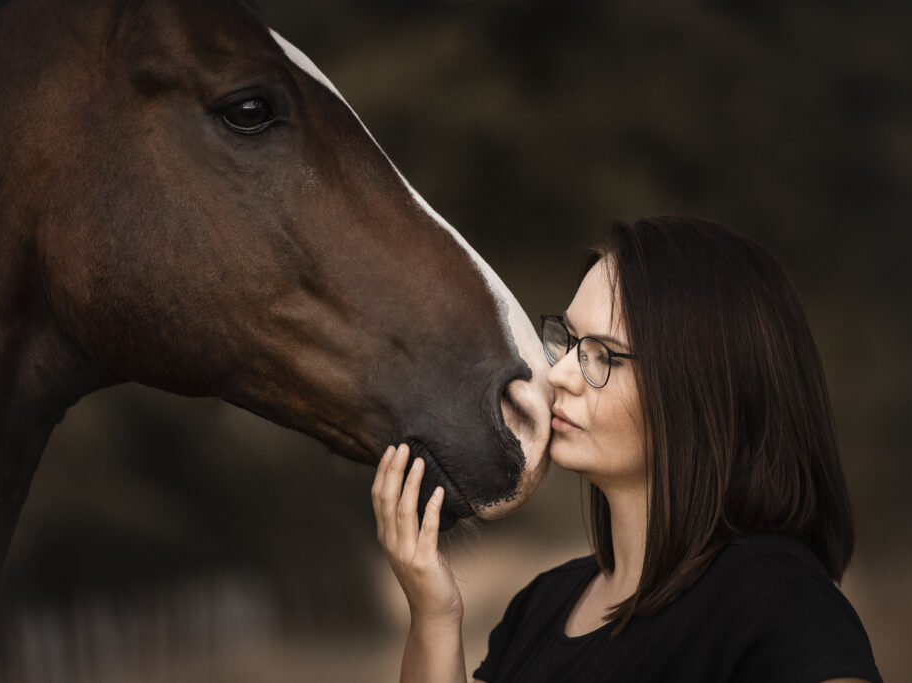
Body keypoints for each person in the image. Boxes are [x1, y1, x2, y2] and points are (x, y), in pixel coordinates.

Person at [371, 216, 883, 683]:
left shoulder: (777, 600)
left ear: (698, 387)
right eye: (568, 342)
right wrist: (434, 616)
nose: (560, 374)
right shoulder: (544, 603)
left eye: (601, 356)